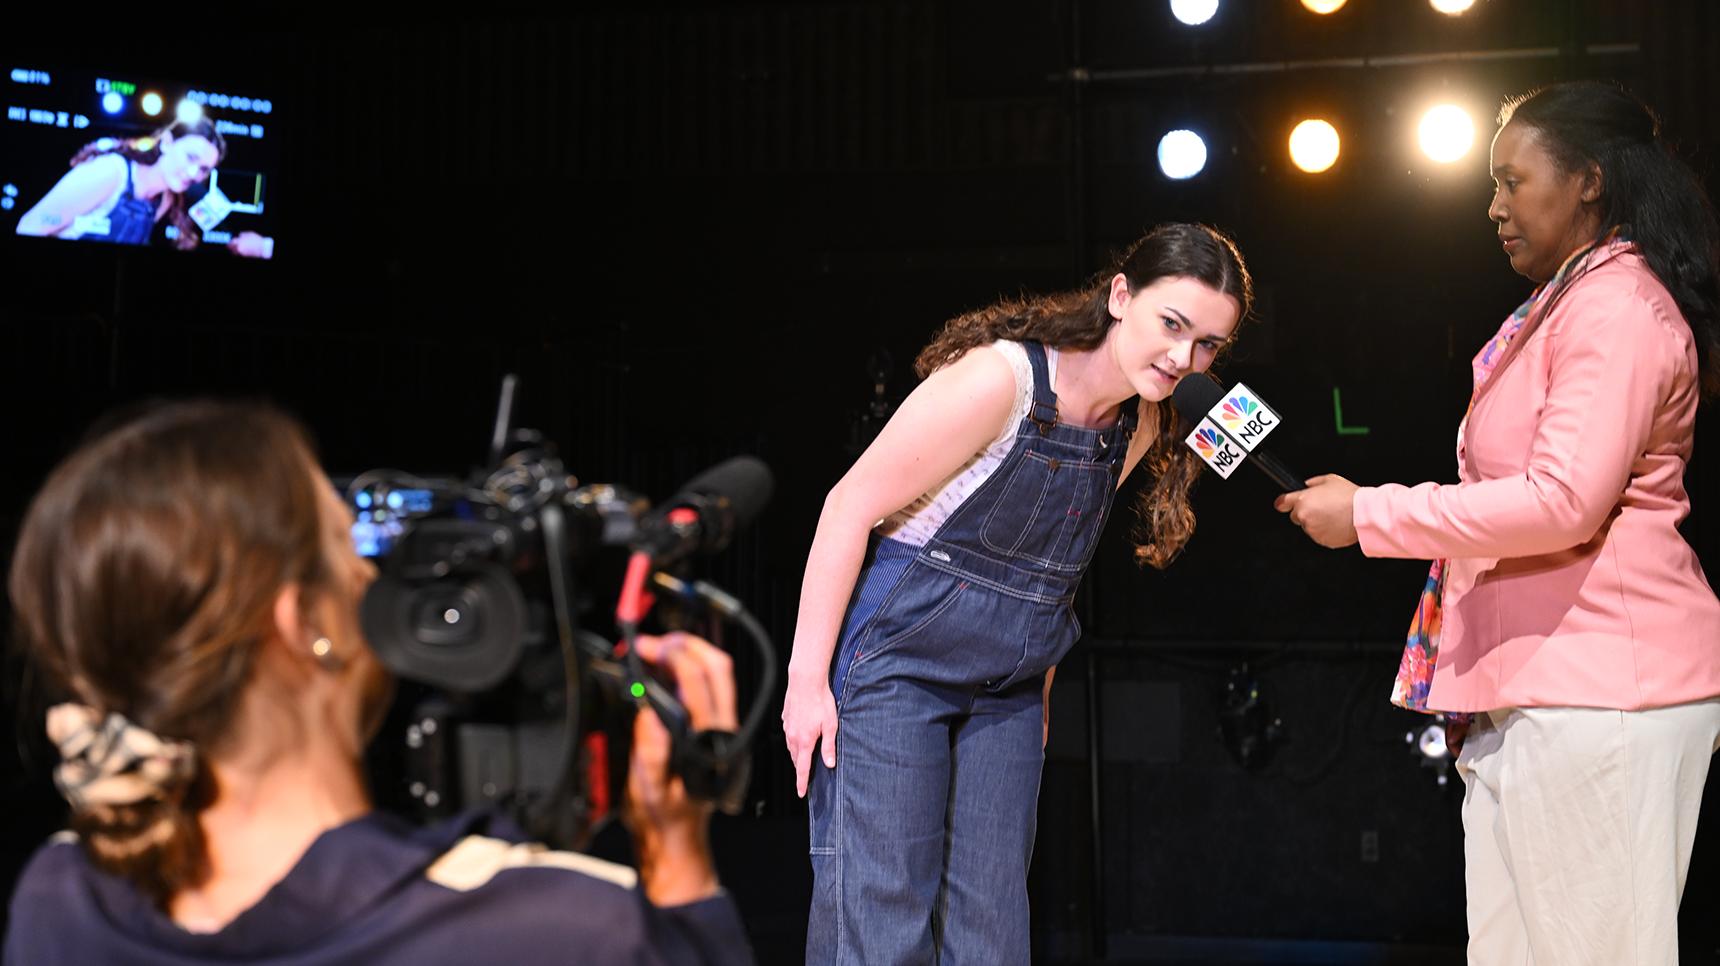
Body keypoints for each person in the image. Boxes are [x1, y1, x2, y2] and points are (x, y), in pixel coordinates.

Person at [4, 401, 754, 965]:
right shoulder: (568, 931)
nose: (373, 577)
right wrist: (677, 855)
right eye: (349, 546)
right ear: (304, 623)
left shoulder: (59, 899)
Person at [1275, 80, 1720, 965]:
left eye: (1514, 182)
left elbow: (1562, 501)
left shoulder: (1616, 305)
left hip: (1601, 694)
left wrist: (1368, 512)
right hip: (1538, 693)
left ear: (1588, 180)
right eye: (1493, 185)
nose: (1494, 207)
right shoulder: (1563, 302)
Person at [782, 222, 1253, 962]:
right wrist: (806, 683)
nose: (1183, 358)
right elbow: (848, 506)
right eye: (1172, 325)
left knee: (991, 935)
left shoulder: (1137, 423)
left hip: (1009, 691)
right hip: (898, 667)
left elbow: (1054, 566)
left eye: (1207, 346)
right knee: (882, 918)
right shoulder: (1001, 379)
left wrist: (1040, 686)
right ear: (1121, 296)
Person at [14, 117, 225, 250]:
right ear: (167, 143)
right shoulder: (111, 171)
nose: (193, 173)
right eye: (190, 157)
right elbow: (31, 226)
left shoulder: (164, 199)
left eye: (204, 169)